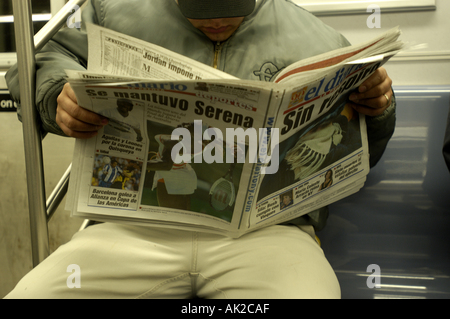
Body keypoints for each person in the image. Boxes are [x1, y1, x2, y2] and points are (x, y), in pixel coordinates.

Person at [5, 0, 396, 299]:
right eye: (198, 9)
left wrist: (378, 107)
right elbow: (38, 58)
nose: (214, 21)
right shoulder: (109, 11)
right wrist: (55, 96)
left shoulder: (318, 39)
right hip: (133, 230)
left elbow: (363, 154)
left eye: (230, 9)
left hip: (267, 237)